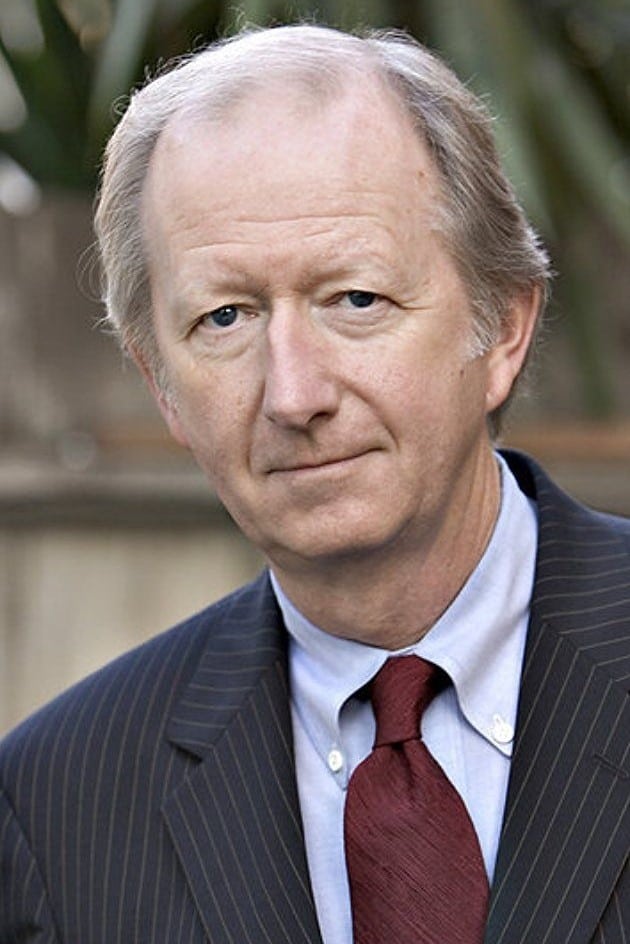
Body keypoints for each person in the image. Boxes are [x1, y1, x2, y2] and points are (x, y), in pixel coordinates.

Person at [1, 23, 628, 944]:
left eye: (355, 299)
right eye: (225, 318)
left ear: (502, 327)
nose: (294, 395)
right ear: (161, 386)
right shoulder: (58, 804)